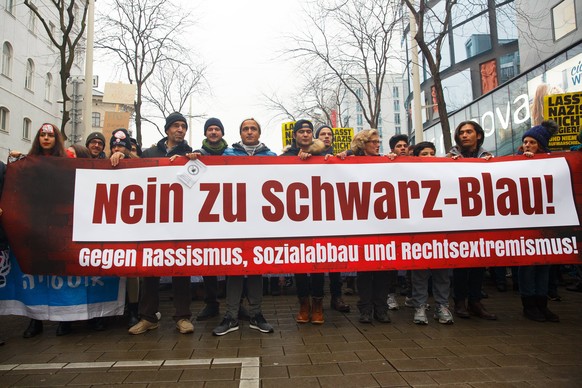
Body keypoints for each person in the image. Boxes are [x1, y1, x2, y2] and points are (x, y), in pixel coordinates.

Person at [129, 112, 195, 335]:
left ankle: (183, 317)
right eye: (176, 126)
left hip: (181, 221)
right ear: (167, 129)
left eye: (183, 126)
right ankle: (148, 317)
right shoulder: (150, 153)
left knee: (181, 269)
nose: (180, 130)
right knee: (150, 269)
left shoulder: (191, 154)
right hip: (153, 220)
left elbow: (198, 182)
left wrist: (188, 162)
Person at [8, 123, 76, 337]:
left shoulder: (66, 163)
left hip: (57, 223)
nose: (46, 138)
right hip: (35, 223)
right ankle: (35, 320)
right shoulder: (27, 163)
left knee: (60, 273)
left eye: (50, 135)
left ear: (56, 139)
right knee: (35, 274)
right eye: (42, 135)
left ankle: (65, 319)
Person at [212, 118, 276, 336]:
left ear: (259, 132)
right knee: (235, 269)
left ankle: (256, 314)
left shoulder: (271, 157)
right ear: (240, 133)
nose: (249, 132)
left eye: (253, 128)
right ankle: (231, 315)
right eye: (245, 129)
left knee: (256, 269)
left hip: (260, 222)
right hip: (234, 222)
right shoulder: (228, 155)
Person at [447, 121, 496, 320]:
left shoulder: (489, 158)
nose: (465, 135)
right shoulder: (449, 159)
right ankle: (459, 302)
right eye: (461, 132)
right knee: (461, 264)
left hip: (480, 219)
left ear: (478, 135)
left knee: (478, 263)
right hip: (458, 220)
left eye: (469, 132)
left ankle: (475, 302)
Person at [182, 117, 228, 321]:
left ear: (222, 133)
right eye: (210, 129)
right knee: (209, 258)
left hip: (230, 212)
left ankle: (237, 304)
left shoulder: (232, 154)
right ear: (205, 133)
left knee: (233, 259)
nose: (214, 132)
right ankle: (211, 303)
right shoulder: (196, 155)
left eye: (217, 129)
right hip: (205, 213)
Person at [282, 120, 327, 324]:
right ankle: (303, 304)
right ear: (295, 136)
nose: (306, 134)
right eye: (301, 131)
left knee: (318, 263)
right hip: (295, 218)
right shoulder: (284, 158)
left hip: (319, 217)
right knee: (299, 263)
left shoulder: (324, 156)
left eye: (309, 131)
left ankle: (317, 305)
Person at [516, 120, 560, 322]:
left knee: (544, 263)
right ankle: (529, 304)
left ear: (540, 144)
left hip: (547, 222)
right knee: (528, 265)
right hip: (525, 222)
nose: (527, 145)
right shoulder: (515, 162)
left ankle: (542, 303)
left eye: (532, 142)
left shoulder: (553, 162)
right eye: (525, 141)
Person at [348, 129, 391, 324]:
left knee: (383, 272)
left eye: (378, 141)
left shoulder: (386, 161)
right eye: (373, 142)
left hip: (383, 223)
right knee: (365, 271)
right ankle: (365, 309)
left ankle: (381, 308)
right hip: (361, 225)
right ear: (362, 144)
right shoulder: (350, 161)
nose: (377, 145)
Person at [408, 142, 454, 325]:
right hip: (418, 232)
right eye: (424, 153)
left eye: (432, 153)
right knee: (419, 272)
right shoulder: (407, 173)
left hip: (440, 230)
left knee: (442, 272)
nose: (429, 156)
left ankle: (442, 306)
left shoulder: (444, 172)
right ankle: (420, 306)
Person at [314, 125, 351, 313]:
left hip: (335, 215)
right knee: (318, 263)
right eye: (322, 134)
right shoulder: (308, 156)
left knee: (335, 262)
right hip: (314, 216)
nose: (327, 137)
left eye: (329, 134)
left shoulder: (341, 157)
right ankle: (318, 300)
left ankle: (337, 297)